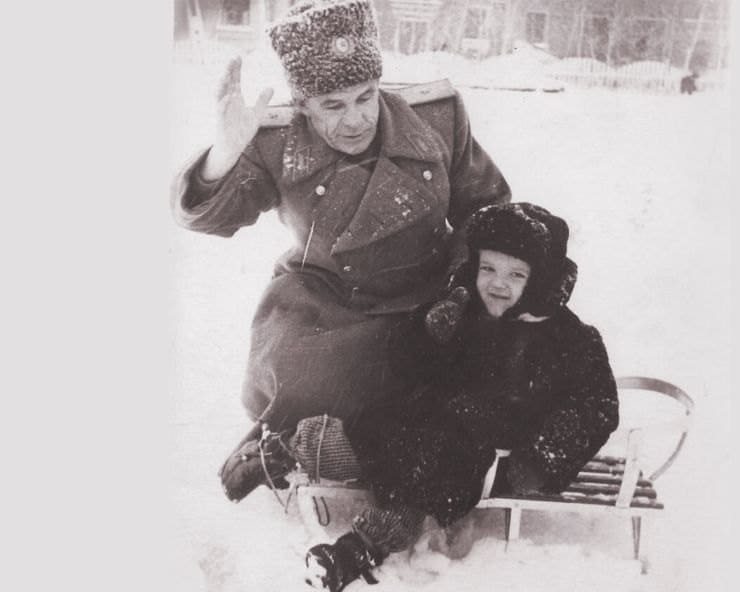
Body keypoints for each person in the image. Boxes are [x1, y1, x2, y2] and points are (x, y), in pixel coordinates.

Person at [171, 0, 511, 481]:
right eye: (332, 105)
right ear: (303, 105)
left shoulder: (437, 118)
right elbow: (210, 218)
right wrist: (222, 158)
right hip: (329, 306)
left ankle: (345, 443)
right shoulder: (276, 142)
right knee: (312, 383)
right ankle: (293, 439)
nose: (355, 119)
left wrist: (467, 291)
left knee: (471, 380)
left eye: (365, 97)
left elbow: (488, 212)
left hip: (429, 296)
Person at [289, 203, 619, 592]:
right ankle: (291, 448)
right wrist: (427, 333)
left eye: (516, 274)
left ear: (540, 281)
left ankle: (360, 547)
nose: (498, 284)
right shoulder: (463, 309)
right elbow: (404, 365)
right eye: (488, 268)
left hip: (485, 456)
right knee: (360, 432)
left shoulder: (571, 341)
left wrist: (538, 461)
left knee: (427, 475)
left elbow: (596, 408)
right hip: (419, 427)